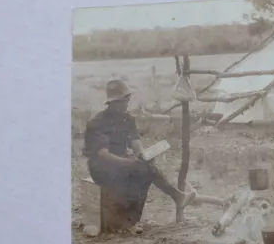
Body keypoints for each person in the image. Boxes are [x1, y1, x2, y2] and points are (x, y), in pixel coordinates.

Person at [82, 79, 195, 234]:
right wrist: (128, 163)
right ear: (112, 102)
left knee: (145, 169)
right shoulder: (97, 122)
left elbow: (135, 141)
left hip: (120, 161)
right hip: (101, 166)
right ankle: (176, 197)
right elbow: (103, 154)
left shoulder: (127, 118)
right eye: (123, 100)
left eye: (128, 99)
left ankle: (131, 221)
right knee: (140, 169)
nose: (127, 103)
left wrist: (142, 154)